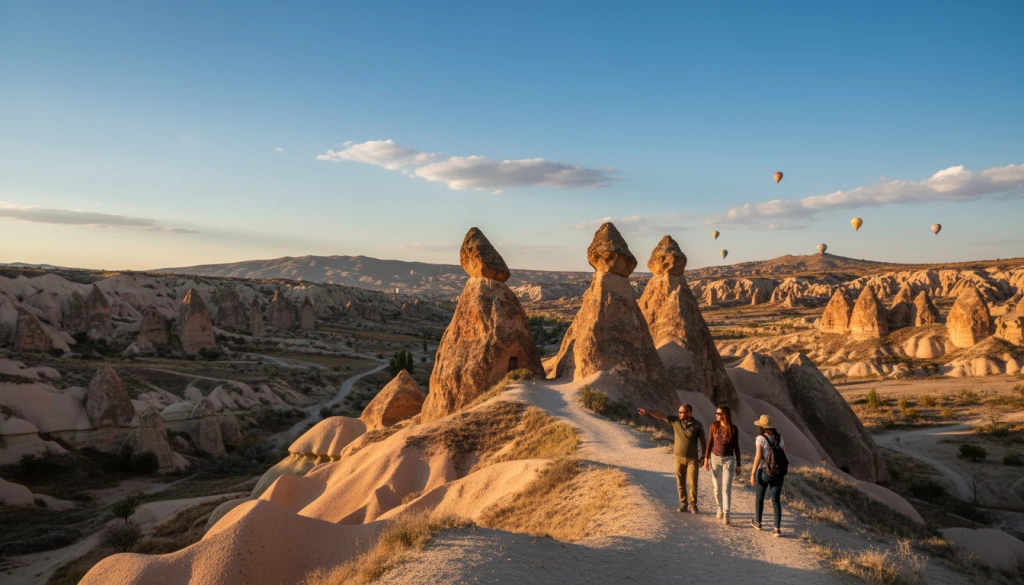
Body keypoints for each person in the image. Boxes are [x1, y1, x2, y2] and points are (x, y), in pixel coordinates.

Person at [637, 404, 706, 514]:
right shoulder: (676, 421)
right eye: (679, 412)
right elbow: (661, 415)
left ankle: (693, 504)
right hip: (678, 457)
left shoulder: (697, 425)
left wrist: (704, 456)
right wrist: (647, 411)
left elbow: (703, 440)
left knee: (693, 482)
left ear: (689, 413)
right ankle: (684, 504)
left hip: (692, 458)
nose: (679, 414)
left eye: (682, 412)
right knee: (680, 482)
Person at [749, 414, 786, 537]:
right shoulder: (780, 438)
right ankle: (777, 529)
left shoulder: (760, 438)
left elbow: (758, 456)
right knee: (776, 500)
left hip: (764, 470)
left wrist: (753, 473)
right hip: (778, 472)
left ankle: (758, 522)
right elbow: (783, 455)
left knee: (760, 497)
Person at [703, 405, 740, 524]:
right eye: (716, 413)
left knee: (726, 488)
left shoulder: (733, 429)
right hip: (714, 458)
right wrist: (706, 459)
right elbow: (709, 442)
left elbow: (736, 447)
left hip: (728, 460)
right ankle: (719, 507)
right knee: (717, 487)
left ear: (725, 415)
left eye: (719, 413)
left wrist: (738, 464)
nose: (716, 415)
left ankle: (726, 514)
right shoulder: (714, 426)